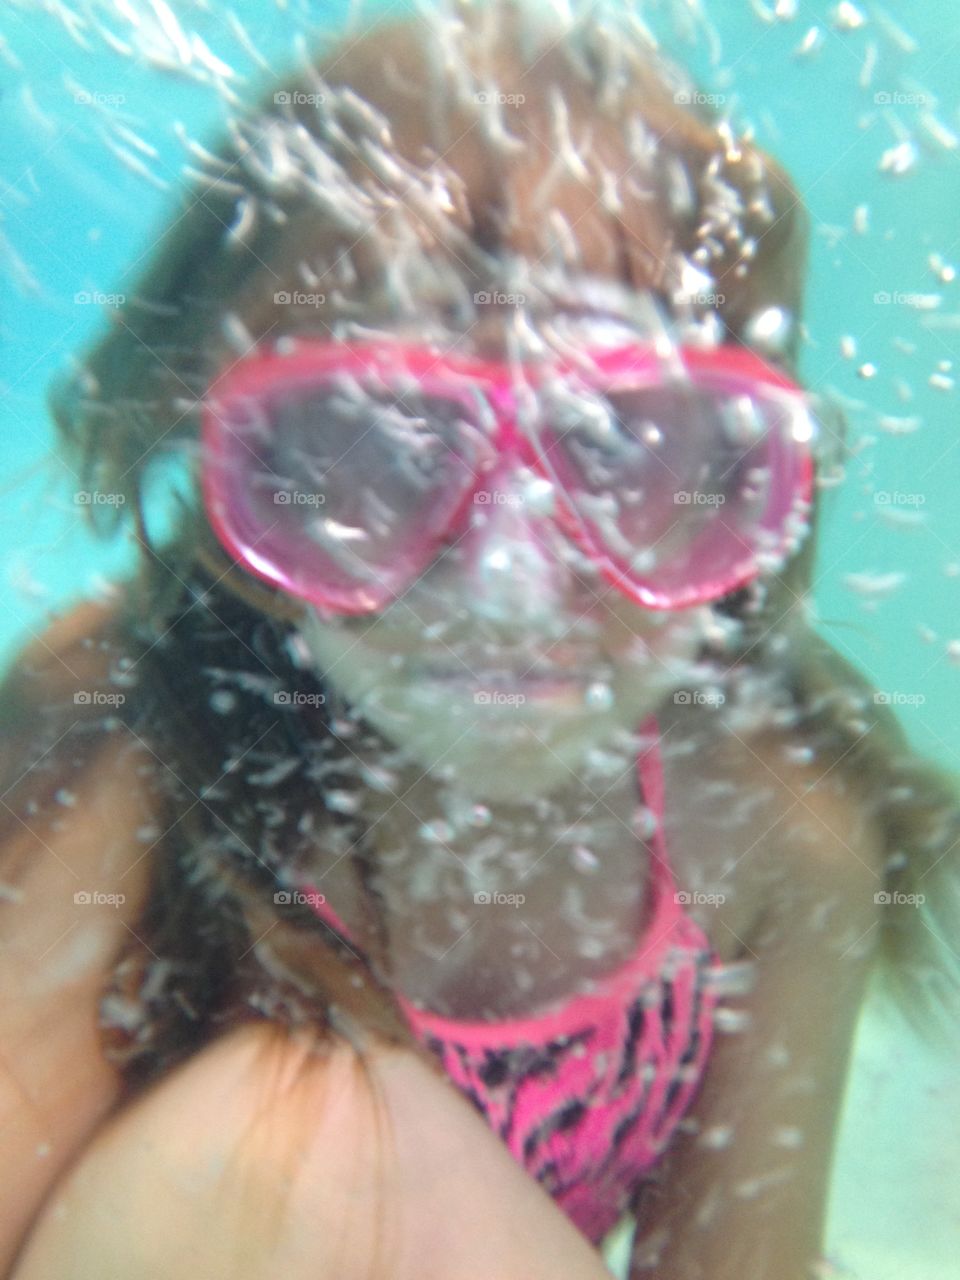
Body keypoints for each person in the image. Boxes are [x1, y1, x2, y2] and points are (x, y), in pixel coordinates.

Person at [1, 2, 958, 1276]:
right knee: (310, 1125)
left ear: (747, 492)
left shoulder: (783, 838)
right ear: (234, 476)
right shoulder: (138, 726)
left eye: (625, 447)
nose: (508, 584)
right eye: (375, 448)